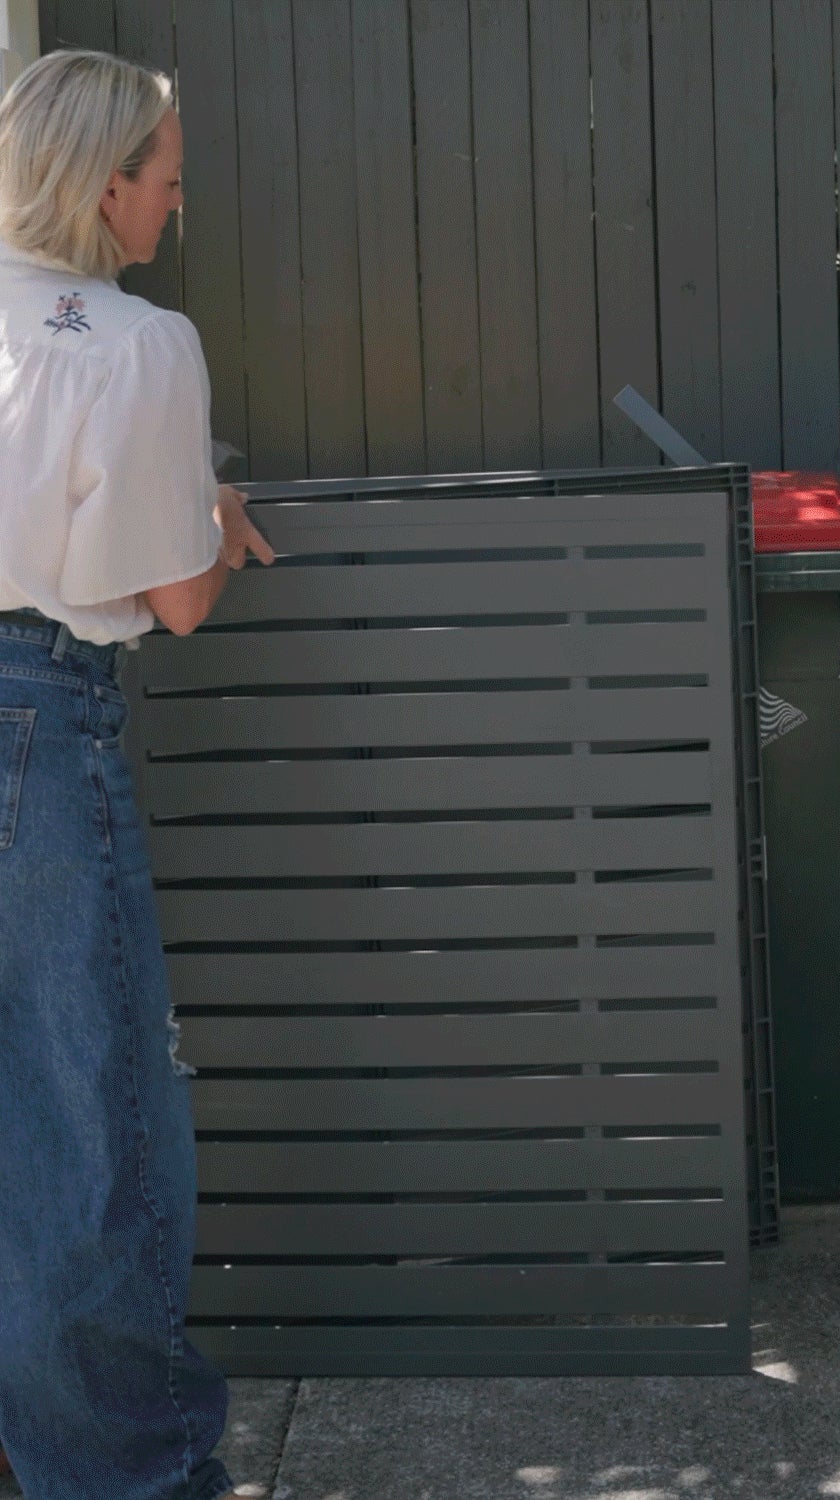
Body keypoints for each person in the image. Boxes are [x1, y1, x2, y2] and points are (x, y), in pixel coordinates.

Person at [0, 48, 273, 1499]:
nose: (175, 200)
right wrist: (217, 513)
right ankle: (118, 1476)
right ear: (106, 185)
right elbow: (173, 599)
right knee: (89, 1116)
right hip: (36, 720)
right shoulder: (134, 342)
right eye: (164, 176)